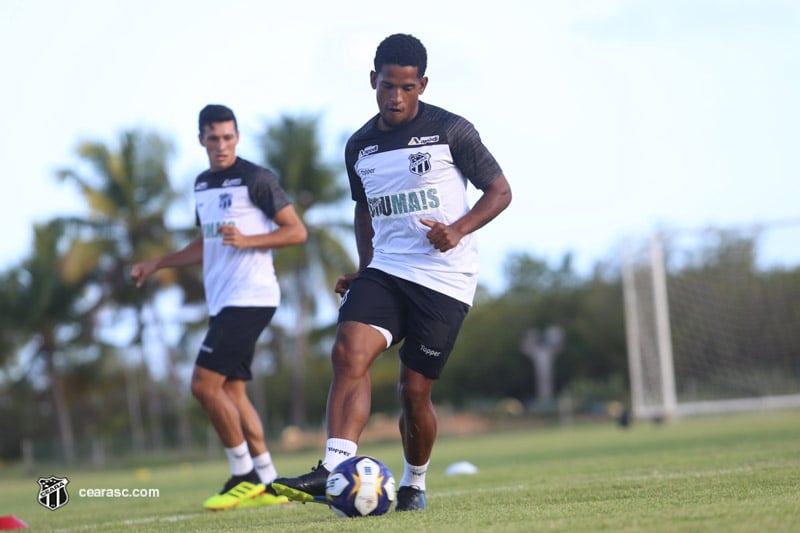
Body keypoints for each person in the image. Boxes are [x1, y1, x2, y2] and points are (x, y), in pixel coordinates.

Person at [271, 33, 511, 511]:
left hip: (444, 279)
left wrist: (458, 229)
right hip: (387, 269)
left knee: (413, 392)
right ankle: (336, 466)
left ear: (421, 84)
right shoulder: (359, 146)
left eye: (406, 87)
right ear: (373, 82)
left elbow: (500, 191)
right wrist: (365, 268)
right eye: (386, 87)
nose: (395, 97)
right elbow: (363, 211)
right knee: (348, 350)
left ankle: (414, 483)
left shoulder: (452, 131)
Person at [130, 104, 307, 511]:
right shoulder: (202, 185)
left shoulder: (256, 179)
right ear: (201, 140)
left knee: (203, 385)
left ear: (237, 137)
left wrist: (248, 240)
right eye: (214, 138)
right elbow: (206, 243)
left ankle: (241, 474)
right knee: (231, 390)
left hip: (252, 297)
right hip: (225, 300)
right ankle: (267, 481)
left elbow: (297, 231)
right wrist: (158, 262)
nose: (222, 145)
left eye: (229, 137)